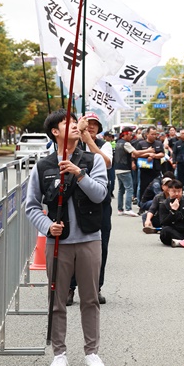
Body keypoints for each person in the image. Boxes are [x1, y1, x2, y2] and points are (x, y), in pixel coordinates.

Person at [25, 109, 108, 366]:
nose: (74, 126)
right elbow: (31, 206)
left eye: (75, 122)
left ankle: (92, 352)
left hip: (89, 239)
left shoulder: (93, 160)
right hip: (57, 243)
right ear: (54, 132)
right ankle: (59, 353)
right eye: (67, 123)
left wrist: (78, 173)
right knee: (57, 299)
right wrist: (49, 227)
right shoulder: (43, 166)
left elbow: (100, 196)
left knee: (90, 298)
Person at [77, 112, 113, 306]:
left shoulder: (104, 145)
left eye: (94, 125)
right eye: (87, 123)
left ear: (99, 129)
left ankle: (95, 288)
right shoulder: (72, 141)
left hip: (100, 203)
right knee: (73, 246)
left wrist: (89, 140)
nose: (90, 127)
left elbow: (107, 163)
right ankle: (69, 288)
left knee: (101, 246)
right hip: (75, 201)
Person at [114, 126, 155, 217]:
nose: (131, 136)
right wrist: (148, 151)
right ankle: (128, 208)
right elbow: (135, 153)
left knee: (121, 190)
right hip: (125, 169)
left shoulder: (118, 142)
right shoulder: (126, 144)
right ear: (126, 134)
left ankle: (120, 209)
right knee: (129, 188)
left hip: (117, 168)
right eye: (130, 134)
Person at [135, 125, 165, 203]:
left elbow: (162, 154)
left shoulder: (158, 143)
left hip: (156, 170)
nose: (154, 136)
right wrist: (147, 154)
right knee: (143, 188)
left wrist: (154, 156)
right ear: (147, 134)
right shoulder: (141, 144)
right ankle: (142, 204)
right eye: (152, 134)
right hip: (145, 170)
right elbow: (136, 155)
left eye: (155, 134)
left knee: (156, 187)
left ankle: (156, 204)